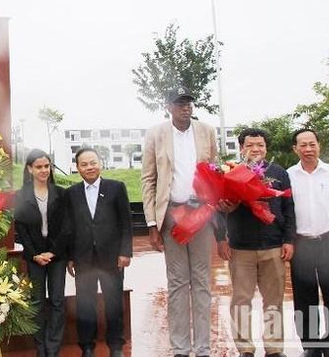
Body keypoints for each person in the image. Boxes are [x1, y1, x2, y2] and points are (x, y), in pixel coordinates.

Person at [140, 87, 219, 357]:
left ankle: (203, 348)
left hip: (200, 217)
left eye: (189, 103)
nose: (186, 108)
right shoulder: (156, 134)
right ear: (168, 107)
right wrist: (152, 223)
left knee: (202, 281)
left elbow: (214, 172)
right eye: (180, 103)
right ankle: (181, 348)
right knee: (177, 282)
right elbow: (148, 179)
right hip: (171, 216)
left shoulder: (207, 131)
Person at [216, 128, 294, 357]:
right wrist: (220, 239)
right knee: (241, 300)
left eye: (260, 144)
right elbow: (217, 209)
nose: (255, 149)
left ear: (266, 147)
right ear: (241, 148)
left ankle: (274, 348)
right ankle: (245, 349)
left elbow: (289, 208)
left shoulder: (279, 173)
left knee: (274, 300)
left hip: (273, 246)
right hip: (241, 248)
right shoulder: (230, 172)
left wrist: (289, 240)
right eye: (249, 145)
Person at [288, 129, 329, 357]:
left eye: (312, 144)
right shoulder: (289, 175)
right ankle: (311, 346)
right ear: (295, 149)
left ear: (319, 145)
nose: (308, 149)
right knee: (304, 297)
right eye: (303, 145)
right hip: (301, 244)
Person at [65, 146, 132, 357]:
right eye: (84, 164)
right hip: (83, 258)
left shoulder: (116, 188)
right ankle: (87, 346)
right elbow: (69, 227)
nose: (89, 167)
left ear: (100, 163)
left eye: (93, 163)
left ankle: (116, 346)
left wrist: (125, 252)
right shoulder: (71, 193)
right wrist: (70, 257)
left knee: (114, 302)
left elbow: (126, 223)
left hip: (112, 257)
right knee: (85, 303)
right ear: (77, 168)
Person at [14, 149, 68, 357]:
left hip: (57, 257)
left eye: (47, 166)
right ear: (30, 169)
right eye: (39, 167)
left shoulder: (61, 194)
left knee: (57, 301)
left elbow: (67, 227)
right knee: (36, 302)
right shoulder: (21, 196)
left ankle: (53, 349)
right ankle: (41, 349)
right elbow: (21, 229)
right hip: (34, 257)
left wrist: (53, 252)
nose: (44, 170)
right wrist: (34, 254)